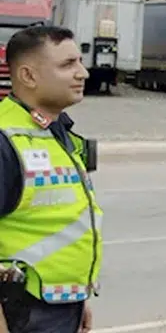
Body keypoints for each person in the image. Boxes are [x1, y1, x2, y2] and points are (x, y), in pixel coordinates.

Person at [0, 26, 100, 333]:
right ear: (28, 76)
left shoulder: (56, 132)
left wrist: (76, 299)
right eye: (67, 65)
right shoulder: (5, 140)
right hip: (21, 313)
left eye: (80, 61)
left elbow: (59, 223)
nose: (82, 72)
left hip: (57, 307)